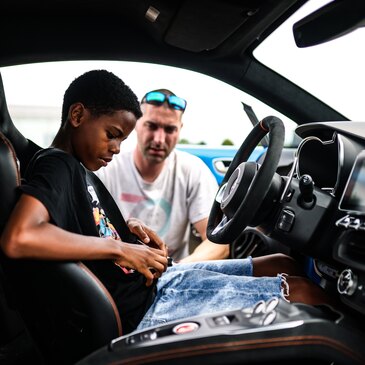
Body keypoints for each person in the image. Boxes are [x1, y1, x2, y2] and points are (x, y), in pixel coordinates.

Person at [0, 70, 334, 334]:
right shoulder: (58, 164)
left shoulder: (78, 168)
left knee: (282, 264)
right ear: (77, 115)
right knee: (303, 294)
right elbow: (20, 237)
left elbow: (80, 220)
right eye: (112, 134)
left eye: (121, 140)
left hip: (159, 281)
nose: (116, 148)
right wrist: (122, 249)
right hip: (146, 305)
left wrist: (127, 232)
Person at [96, 88, 229, 263]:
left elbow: (218, 243)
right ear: (136, 124)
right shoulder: (107, 166)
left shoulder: (192, 170)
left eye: (169, 129)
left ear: (180, 129)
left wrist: (174, 271)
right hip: (118, 273)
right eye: (152, 126)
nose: (159, 139)